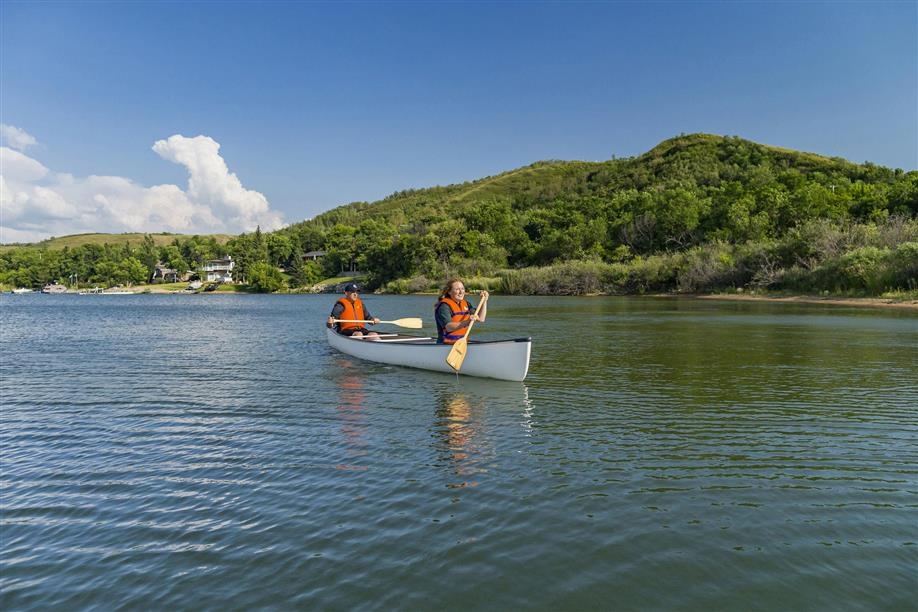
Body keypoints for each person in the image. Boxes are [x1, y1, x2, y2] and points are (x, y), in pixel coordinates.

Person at [435, 278, 488, 344]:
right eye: (457, 289)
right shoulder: (444, 306)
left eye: (462, 289)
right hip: (445, 344)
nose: (461, 292)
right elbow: (448, 327)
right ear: (449, 292)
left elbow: (481, 318)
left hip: (462, 344)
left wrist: (484, 301)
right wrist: (468, 321)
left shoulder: (466, 304)